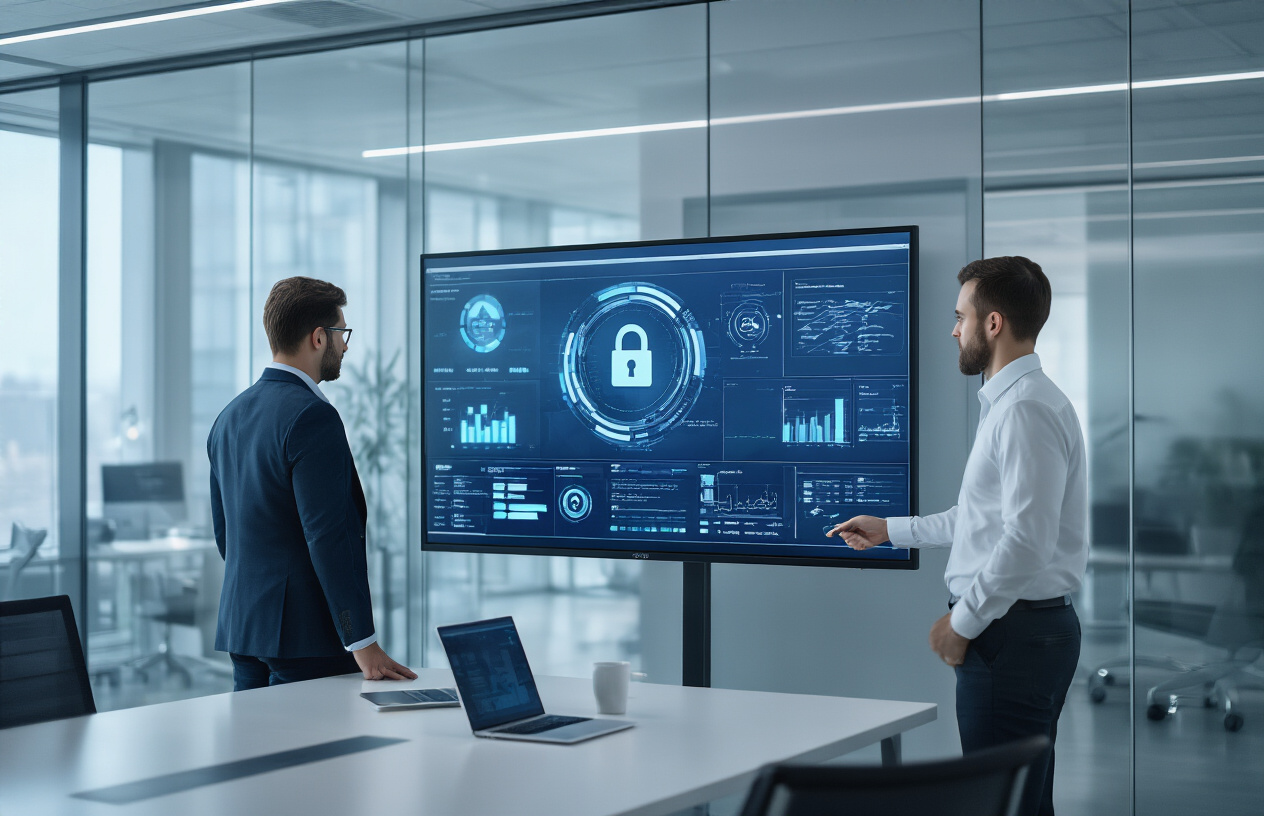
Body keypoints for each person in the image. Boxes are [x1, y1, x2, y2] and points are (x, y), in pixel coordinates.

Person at [828, 256, 1086, 816]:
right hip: (1021, 632)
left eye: (960, 316)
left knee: (999, 802)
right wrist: (891, 530)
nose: (953, 330)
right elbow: (981, 519)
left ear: (993, 323)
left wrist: (962, 622)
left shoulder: (1025, 411)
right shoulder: (1017, 404)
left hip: (1009, 635)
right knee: (1022, 800)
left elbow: (1027, 540)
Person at [208, 276, 416, 691]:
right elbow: (328, 536)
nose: (345, 346)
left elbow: (225, 532)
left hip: (243, 628)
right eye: (342, 334)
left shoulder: (229, 416)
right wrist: (362, 641)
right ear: (319, 338)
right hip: (305, 638)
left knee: (251, 735)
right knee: (321, 737)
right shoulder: (312, 417)